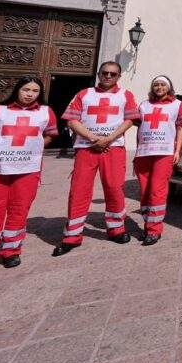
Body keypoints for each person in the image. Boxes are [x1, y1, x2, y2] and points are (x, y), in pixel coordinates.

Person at [0, 76, 58, 276]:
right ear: (17, 89)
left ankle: (11, 251)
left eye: (35, 91)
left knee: (19, 208)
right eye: (26, 89)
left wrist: (35, 147)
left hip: (28, 169)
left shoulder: (46, 112)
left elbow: (51, 134)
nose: (30, 94)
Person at [53, 60, 139, 256]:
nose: (108, 76)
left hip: (113, 147)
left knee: (114, 188)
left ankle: (116, 229)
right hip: (86, 148)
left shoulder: (125, 95)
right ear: (99, 74)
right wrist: (93, 138)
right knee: (79, 190)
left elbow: (130, 120)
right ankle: (72, 235)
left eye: (113, 74)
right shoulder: (84, 94)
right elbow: (71, 120)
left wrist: (108, 139)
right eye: (105, 72)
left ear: (119, 76)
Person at [133, 75, 182, 246]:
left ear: (169, 87)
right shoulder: (144, 105)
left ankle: (154, 230)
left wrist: (177, 151)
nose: (159, 87)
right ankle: (147, 224)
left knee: (157, 190)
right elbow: (138, 129)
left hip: (164, 153)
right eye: (156, 84)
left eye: (163, 84)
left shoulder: (177, 104)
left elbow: (181, 129)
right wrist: (136, 151)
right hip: (144, 153)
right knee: (145, 190)